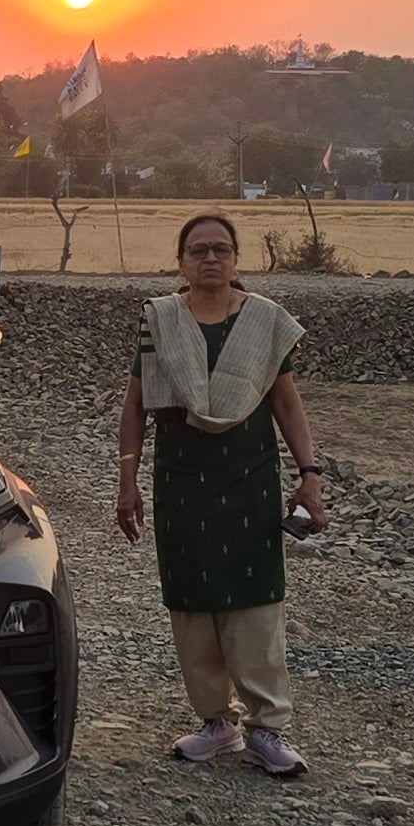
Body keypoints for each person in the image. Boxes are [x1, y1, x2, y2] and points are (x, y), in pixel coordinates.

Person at [114, 210, 326, 771]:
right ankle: (216, 722)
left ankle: (268, 728)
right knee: (191, 600)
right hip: (181, 483)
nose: (211, 259)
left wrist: (309, 475)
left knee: (255, 598)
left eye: (221, 250)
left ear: (236, 260)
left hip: (248, 481)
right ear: (180, 262)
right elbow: (136, 404)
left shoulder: (264, 322)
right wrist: (127, 481)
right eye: (198, 250)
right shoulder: (160, 320)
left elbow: (285, 401)